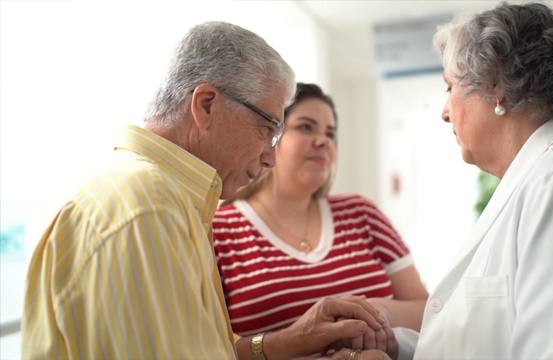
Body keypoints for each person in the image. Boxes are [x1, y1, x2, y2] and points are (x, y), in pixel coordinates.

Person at [21, 21, 393, 360]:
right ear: (206, 105)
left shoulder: (171, 198)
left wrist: (291, 339)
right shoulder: (149, 208)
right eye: (269, 129)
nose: (270, 158)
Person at [412, 2, 553, 359]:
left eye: (449, 86)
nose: (445, 112)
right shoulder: (541, 178)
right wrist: (395, 345)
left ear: (495, 84)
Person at [212, 83, 429, 358]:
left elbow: (427, 308)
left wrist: (375, 313)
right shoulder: (219, 231)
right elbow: (210, 349)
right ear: (270, 137)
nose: (324, 141)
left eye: (330, 133)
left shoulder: (362, 213)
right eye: (306, 127)